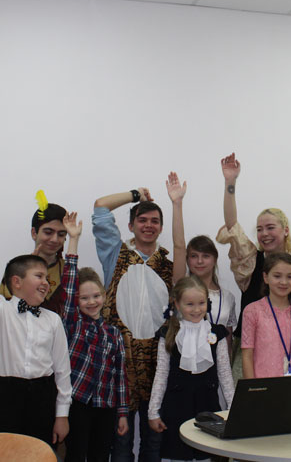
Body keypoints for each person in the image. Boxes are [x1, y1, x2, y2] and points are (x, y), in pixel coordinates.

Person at [0, 204, 72, 455]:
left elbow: (62, 371)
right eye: (38, 276)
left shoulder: (53, 320)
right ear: (16, 282)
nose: (45, 282)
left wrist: (62, 414)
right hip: (0, 397)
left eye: (46, 277)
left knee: (36, 456)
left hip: (41, 398)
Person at [93, 187, 173, 461]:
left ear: (161, 227)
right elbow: (101, 206)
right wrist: (136, 195)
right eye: (142, 220)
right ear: (130, 225)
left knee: (153, 444)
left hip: (156, 367)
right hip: (119, 368)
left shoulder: (168, 265)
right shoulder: (115, 254)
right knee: (121, 444)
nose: (148, 225)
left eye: (154, 221)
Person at [217, 152, 291, 377]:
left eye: (270, 227)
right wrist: (230, 183)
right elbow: (232, 225)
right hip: (251, 352)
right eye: (259, 229)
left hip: (288, 352)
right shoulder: (250, 261)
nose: (264, 234)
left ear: (285, 230)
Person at [57, 212, 130, 462]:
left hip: (106, 406)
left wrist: (122, 412)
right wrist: (73, 240)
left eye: (96, 296)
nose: (91, 302)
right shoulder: (73, 324)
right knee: (76, 455)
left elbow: (120, 376)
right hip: (77, 403)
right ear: (76, 301)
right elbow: (68, 288)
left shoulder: (114, 333)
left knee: (100, 456)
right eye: (84, 298)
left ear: (104, 296)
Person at [148, 277, 235, 461]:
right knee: (179, 456)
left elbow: (225, 374)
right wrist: (153, 412)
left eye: (201, 303)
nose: (196, 310)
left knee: (208, 456)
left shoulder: (217, 334)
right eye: (189, 304)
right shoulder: (168, 334)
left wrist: (233, 410)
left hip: (208, 407)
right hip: (177, 408)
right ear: (177, 304)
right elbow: (161, 374)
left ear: (207, 303)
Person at [166, 172, 237, 334]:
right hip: (184, 351)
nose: (199, 261)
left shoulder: (228, 298)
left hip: (218, 351)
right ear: (187, 260)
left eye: (205, 256)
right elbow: (179, 246)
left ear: (215, 259)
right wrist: (177, 204)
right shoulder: (181, 286)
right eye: (193, 256)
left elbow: (228, 338)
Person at [241, 253, 291, 378]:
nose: (284, 282)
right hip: (265, 383)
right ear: (265, 277)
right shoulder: (252, 311)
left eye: (290, 277)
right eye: (277, 276)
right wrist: (251, 387)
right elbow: (247, 355)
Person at [0, 201, 69, 314]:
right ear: (34, 233)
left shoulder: (69, 270)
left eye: (61, 234)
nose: (54, 239)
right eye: (48, 232)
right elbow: (3, 310)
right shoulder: (18, 268)